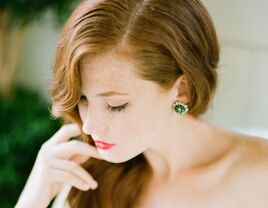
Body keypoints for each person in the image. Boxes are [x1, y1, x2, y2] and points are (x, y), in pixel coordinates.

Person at [15, 0, 268, 207]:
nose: (90, 126)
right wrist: (33, 198)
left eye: (115, 105)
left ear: (182, 89)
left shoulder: (260, 177)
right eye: (82, 98)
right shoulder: (89, 174)